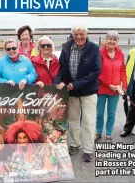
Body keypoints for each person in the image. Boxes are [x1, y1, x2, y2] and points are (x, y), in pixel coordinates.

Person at [54, 25, 101, 162]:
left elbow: (96, 71)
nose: (79, 37)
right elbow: (61, 69)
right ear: (72, 35)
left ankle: (87, 149)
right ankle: (74, 144)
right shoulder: (66, 47)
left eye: (82, 34)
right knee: (73, 121)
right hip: (72, 93)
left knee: (88, 122)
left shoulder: (93, 48)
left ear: (86, 34)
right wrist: (58, 81)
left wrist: (76, 84)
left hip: (88, 92)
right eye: (76, 34)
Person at [95, 31, 127, 142]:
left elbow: (123, 71)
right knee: (99, 113)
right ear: (106, 40)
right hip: (102, 89)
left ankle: (108, 134)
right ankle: (98, 132)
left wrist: (124, 86)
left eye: (115, 39)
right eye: (110, 39)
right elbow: (97, 73)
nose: (112, 41)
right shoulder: (99, 53)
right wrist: (109, 85)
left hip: (115, 90)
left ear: (117, 42)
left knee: (111, 114)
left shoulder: (120, 54)